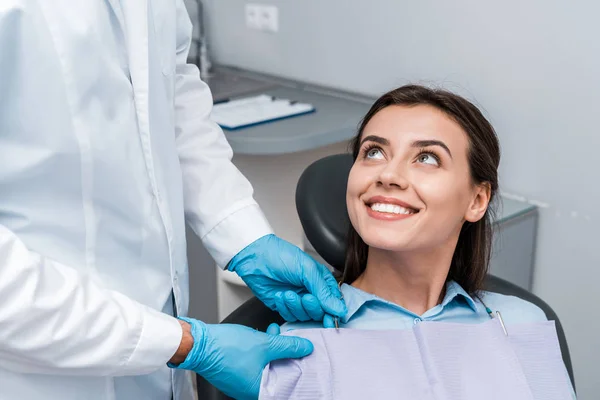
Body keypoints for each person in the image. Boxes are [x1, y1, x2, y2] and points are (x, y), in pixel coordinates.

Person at [0, 2, 346, 400]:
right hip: (34, 371)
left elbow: (172, 89)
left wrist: (242, 234)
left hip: (159, 349)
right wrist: (184, 344)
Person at [269, 84, 575, 397]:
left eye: (427, 158)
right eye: (373, 152)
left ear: (477, 200)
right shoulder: (298, 345)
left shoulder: (521, 322)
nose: (388, 175)